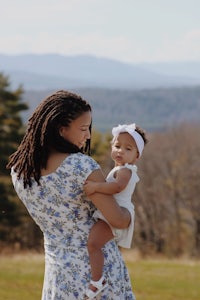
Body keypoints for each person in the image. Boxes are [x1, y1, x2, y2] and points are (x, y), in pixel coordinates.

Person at [6, 90, 136, 300]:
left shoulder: (19, 171)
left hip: (59, 272)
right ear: (61, 129)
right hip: (98, 274)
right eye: (83, 129)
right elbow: (118, 220)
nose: (88, 136)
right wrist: (129, 210)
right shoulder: (81, 165)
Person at [84, 123, 148, 298]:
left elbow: (117, 187)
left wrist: (96, 186)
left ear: (136, 156)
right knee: (97, 244)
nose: (120, 151)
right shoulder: (119, 168)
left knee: (93, 244)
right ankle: (104, 278)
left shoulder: (126, 171)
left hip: (117, 212)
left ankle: (97, 281)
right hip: (111, 212)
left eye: (127, 149)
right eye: (117, 146)